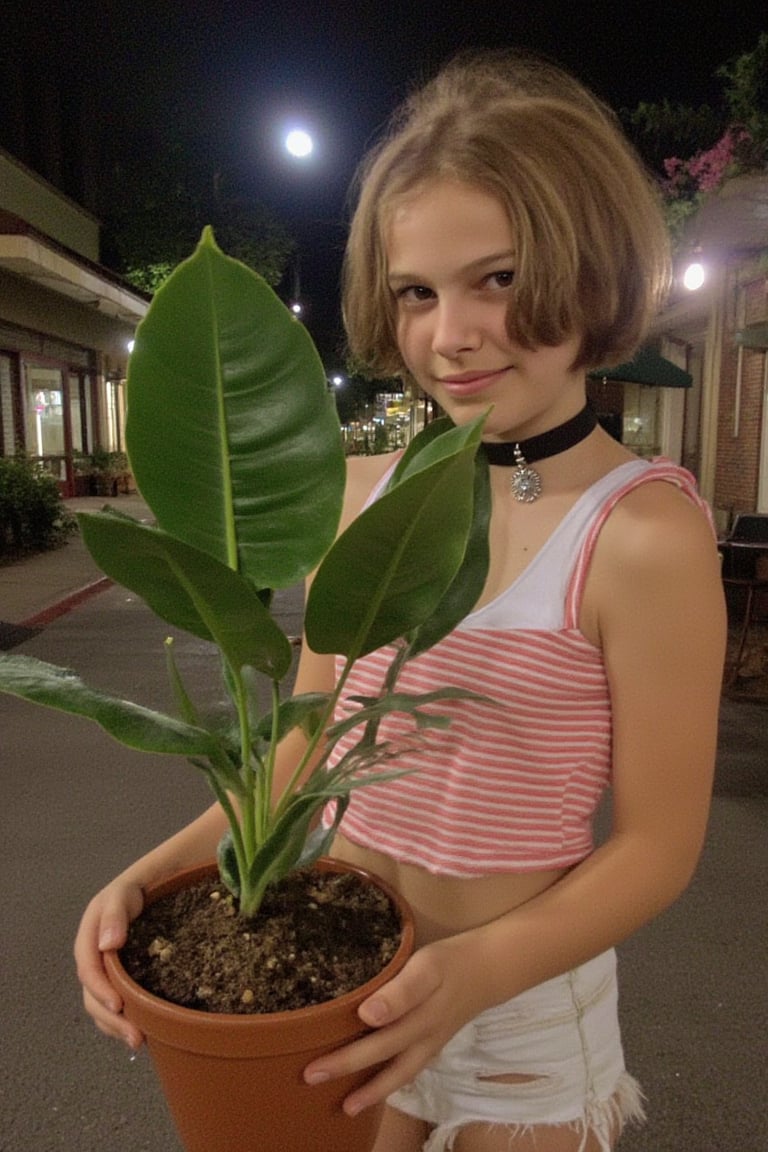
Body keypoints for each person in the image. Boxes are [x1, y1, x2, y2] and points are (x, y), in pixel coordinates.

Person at [75, 49, 727, 1152]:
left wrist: (473, 973)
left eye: (499, 279)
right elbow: (301, 750)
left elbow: (659, 844)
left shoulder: (642, 532)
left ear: (590, 266)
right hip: (340, 969)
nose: (449, 335)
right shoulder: (365, 498)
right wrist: (148, 879)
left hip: (518, 1000)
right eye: (418, 292)